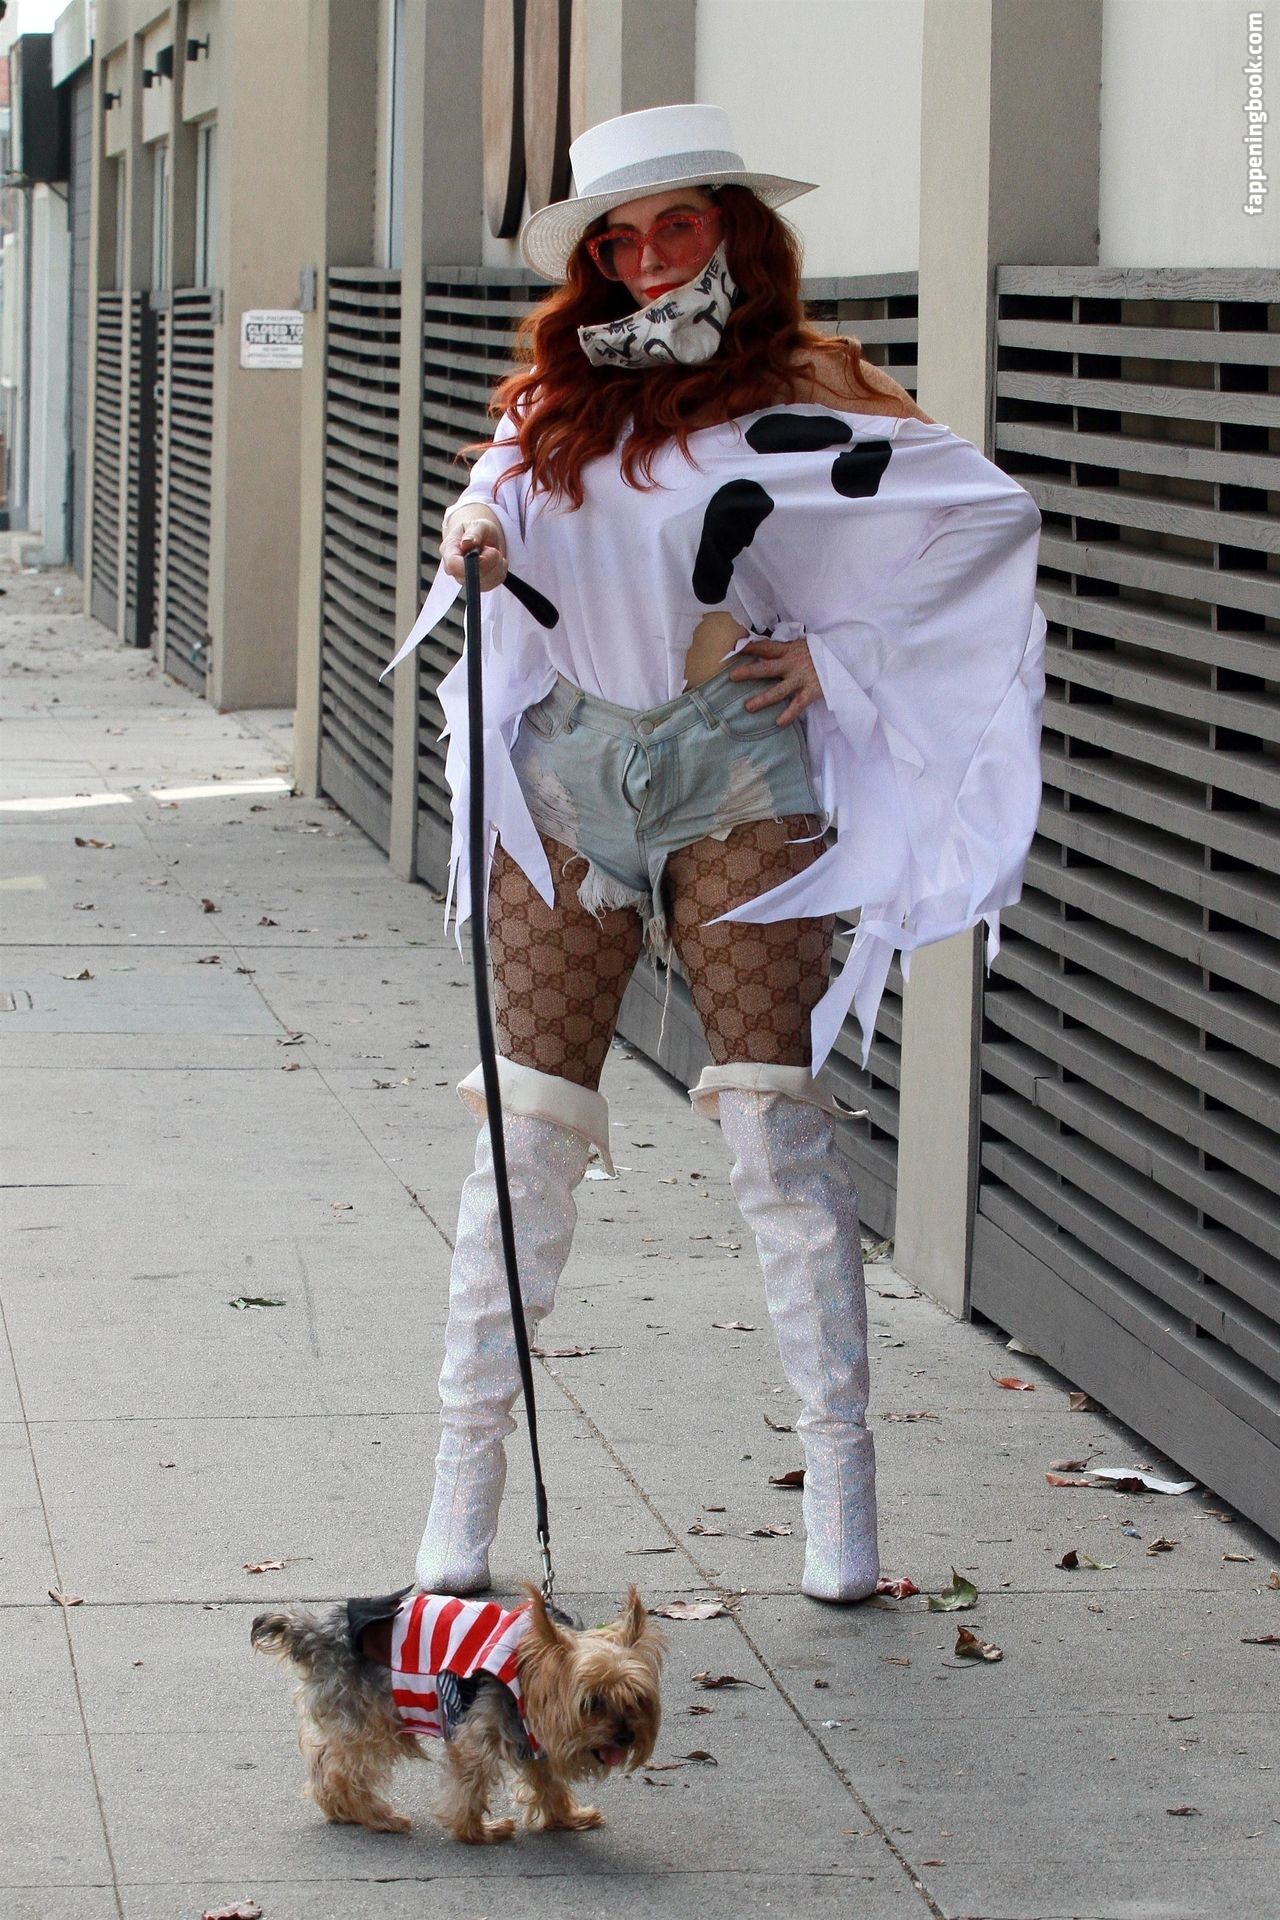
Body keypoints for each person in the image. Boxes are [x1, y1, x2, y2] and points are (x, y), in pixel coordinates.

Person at [381, 104, 1046, 1605]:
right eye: (618, 239)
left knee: (770, 1127)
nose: (643, 258)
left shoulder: (811, 387)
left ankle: (841, 1503)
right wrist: (473, 529)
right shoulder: (562, 391)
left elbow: (985, 521)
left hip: (739, 768)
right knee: (523, 1135)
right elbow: (489, 498)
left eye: (672, 226)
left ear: (733, 230)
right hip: (571, 767)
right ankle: (459, 1503)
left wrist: (838, 654)